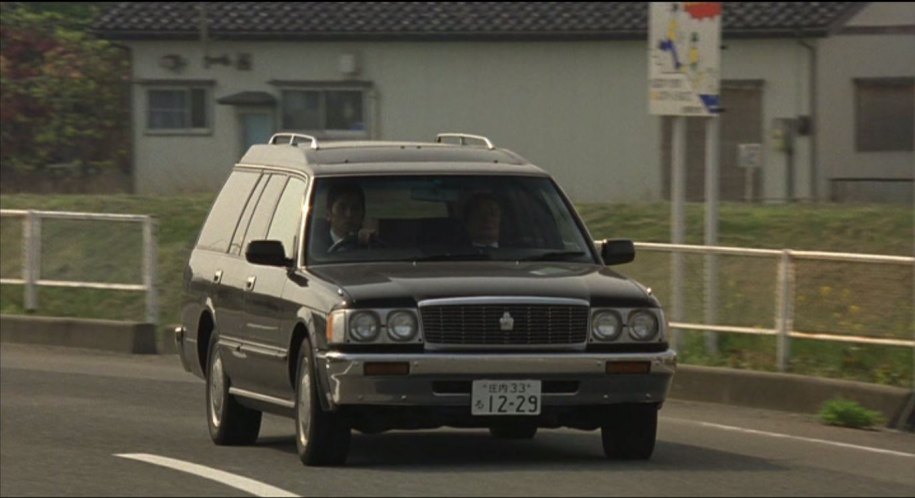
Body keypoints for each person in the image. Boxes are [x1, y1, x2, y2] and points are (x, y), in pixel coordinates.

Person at [312, 182, 379, 253]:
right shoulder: (315, 248)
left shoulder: (372, 246)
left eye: (355, 208)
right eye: (342, 208)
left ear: (363, 214)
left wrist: (371, 244)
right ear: (328, 214)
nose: (349, 214)